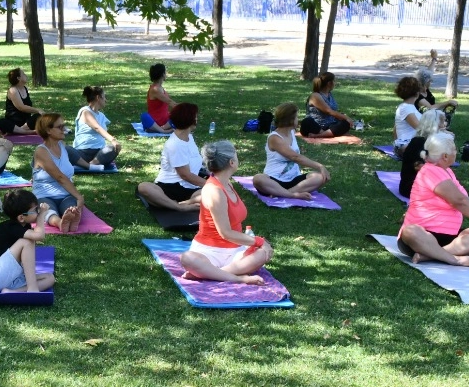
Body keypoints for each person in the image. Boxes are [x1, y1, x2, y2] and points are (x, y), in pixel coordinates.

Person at [178, 140, 272, 285]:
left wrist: (191, 201)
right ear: (231, 163)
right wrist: (259, 241)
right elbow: (226, 233)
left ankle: (210, 274)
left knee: (263, 254)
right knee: (188, 258)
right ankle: (236, 277)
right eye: (236, 155)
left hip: (235, 252)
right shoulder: (214, 190)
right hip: (208, 252)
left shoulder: (226, 182)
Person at [398, 131, 469, 267]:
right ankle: (454, 259)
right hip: (423, 235)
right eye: (454, 149)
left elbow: (463, 199)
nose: (456, 151)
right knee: (410, 231)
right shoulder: (430, 171)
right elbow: (460, 201)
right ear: (445, 156)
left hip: (449, 235)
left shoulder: (447, 171)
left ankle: (431, 255)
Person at [0, 189, 57, 294]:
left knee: (50, 278)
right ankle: (32, 289)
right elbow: (39, 236)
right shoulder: (10, 227)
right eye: (35, 210)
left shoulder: (24, 226)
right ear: (21, 218)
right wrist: (42, 215)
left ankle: (12, 292)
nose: (38, 211)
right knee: (27, 242)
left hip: (8, 277)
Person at [136, 101, 204, 213]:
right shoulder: (174, 144)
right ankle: (178, 207)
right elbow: (185, 175)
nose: (197, 119)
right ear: (190, 120)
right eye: (195, 116)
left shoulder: (189, 137)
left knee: (216, 194)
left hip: (191, 189)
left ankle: (186, 203)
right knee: (143, 187)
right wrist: (211, 184)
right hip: (168, 188)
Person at [254, 103, 331, 200]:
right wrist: (320, 166)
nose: (298, 120)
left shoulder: (291, 132)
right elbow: (295, 157)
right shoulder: (274, 138)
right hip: (274, 180)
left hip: (294, 180)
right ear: (290, 120)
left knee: (320, 177)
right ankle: (292, 195)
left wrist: (321, 170)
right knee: (258, 179)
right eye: (296, 117)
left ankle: (283, 193)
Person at [30, 113, 84, 233]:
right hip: (44, 195)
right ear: (49, 130)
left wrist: (76, 199)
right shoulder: (41, 151)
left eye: (64, 126)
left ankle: (71, 217)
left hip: (65, 195)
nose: (64, 130)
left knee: (71, 208)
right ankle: (60, 223)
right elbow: (59, 177)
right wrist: (79, 196)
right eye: (60, 127)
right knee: (47, 210)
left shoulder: (62, 145)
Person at [398, 108, 447, 199]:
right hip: (411, 186)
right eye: (442, 122)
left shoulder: (431, 141)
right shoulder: (418, 142)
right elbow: (419, 167)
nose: (444, 125)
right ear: (434, 124)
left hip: (424, 182)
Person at [73, 85, 120, 170]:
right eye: (104, 97)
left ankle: (89, 165)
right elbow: (97, 127)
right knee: (66, 150)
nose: (106, 100)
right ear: (98, 97)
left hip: (98, 153)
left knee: (112, 149)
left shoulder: (102, 116)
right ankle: (88, 165)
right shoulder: (85, 111)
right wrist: (112, 140)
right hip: (82, 152)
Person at [302, 72, 353, 137]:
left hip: (329, 125)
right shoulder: (315, 96)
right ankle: (322, 135)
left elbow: (334, 111)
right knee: (307, 122)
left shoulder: (329, 94)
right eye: (334, 81)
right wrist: (347, 117)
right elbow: (328, 111)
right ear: (329, 83)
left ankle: (324, 134)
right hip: (315, 125)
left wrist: (343, 117)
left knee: (345, 123)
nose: (335, 83)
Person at [0, 68, 41, 135]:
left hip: (26, 123)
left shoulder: (25, 88)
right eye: (23, 74)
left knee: (39, 116)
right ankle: (26, 132)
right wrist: (37, 110)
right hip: (13, 122)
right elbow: (21, 107)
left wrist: (39, 112)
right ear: (18, 78)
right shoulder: (13, 90)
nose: (26, 75)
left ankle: (19, 130)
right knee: (1, 122)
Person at [391, 77, 422, 157]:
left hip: (408, 143)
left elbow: (395, 129)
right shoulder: (406, 108)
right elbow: (420, 128)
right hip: (405, 144)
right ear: (417, 92)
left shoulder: (409, 107)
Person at [142, 63, 174, 132]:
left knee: (179, 116)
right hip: (155, 122)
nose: (166, 74)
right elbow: (170, 102)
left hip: (165, 120)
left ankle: (162, 128)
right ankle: (163, 130)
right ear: (162, 74)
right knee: (144, 116)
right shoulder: (155, 89)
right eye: (165, 72)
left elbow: (170, 105)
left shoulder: (160, 88)